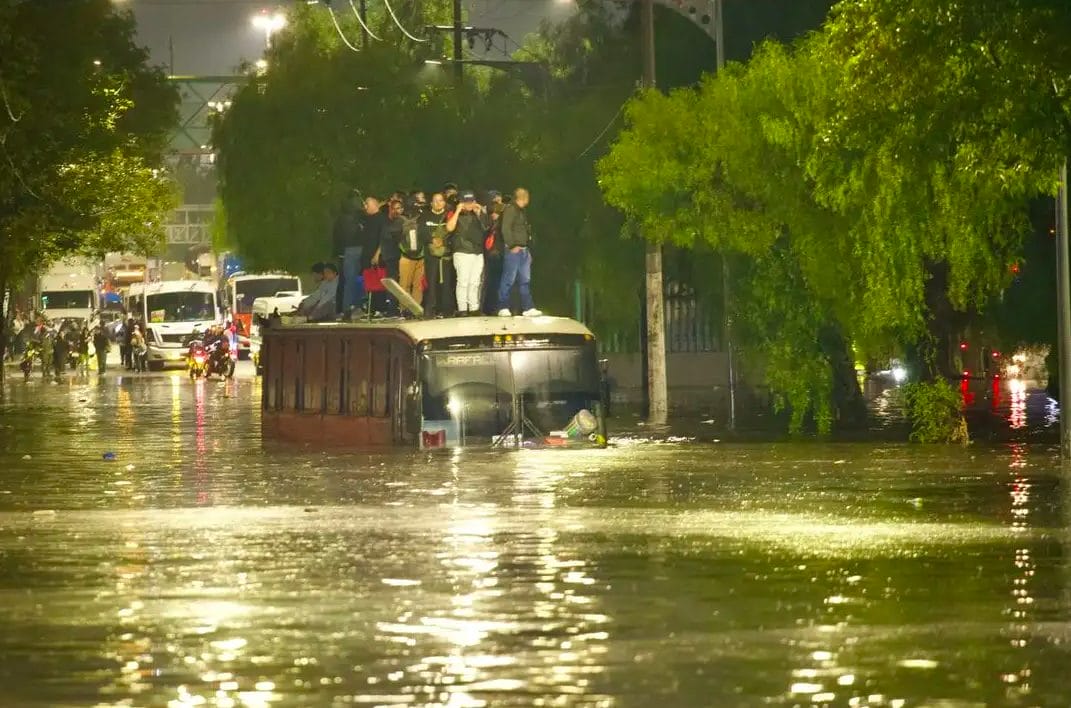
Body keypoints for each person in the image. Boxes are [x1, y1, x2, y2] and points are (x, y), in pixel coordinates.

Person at [497, 187, 542, 317]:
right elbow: (506, 228)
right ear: (522, 197)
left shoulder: (522, 211)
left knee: (525, 279)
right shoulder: (511, 209)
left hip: (523, 250)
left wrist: (527, 249)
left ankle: (528, 307)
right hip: (514, 250)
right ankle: (503, 306)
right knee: (508, 279)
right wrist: (511, 245)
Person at [447, 190, 488, 316]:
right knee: (463, 281)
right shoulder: (454, 213)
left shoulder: (477, 214)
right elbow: (449, 228)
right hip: (462, 251)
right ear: (461, 202)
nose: (469, 204)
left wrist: (481, 213)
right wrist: (458, 211)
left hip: (477, 252)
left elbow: (487, 227)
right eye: (466, 202)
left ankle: (474, 307)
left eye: (471, 201)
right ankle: (462, 308)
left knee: (475, 281)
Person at [421, 192, 455, 318]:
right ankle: (430, 309)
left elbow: (453, 232)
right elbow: (421, 232)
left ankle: (446, 310)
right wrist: (432, 240)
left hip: (446, 255)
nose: (438, 203)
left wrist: (444, 242)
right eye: (435, 201)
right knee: (431, 282)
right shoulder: (425, 216)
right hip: (431, 255)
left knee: (447, 283)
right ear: (431, 203)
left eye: (441, 200)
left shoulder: (449, 216)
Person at [333, 189, 366, 312]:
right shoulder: (361, 215)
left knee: (348, 281)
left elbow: (337, 235)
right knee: (361, 280)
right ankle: (357, 306)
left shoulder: (341, 217)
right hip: (359, 248)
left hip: (347, 250)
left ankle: (346, 308)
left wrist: (338, 252)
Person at [371, 198, 403, 315]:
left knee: (399, 282)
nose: (396, 211)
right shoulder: (385, 222)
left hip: (400, 256)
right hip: (388, 257)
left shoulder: (403, 222)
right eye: (394, 208)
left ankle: (398, 307)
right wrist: (377, 254)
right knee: (391, 283)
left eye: (398, 208)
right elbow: (382, 240)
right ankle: (392, 308)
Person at [397, 197, 425, 310]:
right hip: (419, 256)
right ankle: (414, 309)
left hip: (406, 256)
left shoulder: (399, 219)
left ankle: (405, 309)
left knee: (405, 285)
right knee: (416, 285)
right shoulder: (421, 217)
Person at [482, 200, 505, 315]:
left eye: (496, 212)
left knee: (497, 283)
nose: (493, 214)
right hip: (492, 257)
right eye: (492, 212)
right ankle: (490, 308)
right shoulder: (491, 226)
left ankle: (496, 307)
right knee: (492, 283)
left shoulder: (501, 226)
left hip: (499, 257)